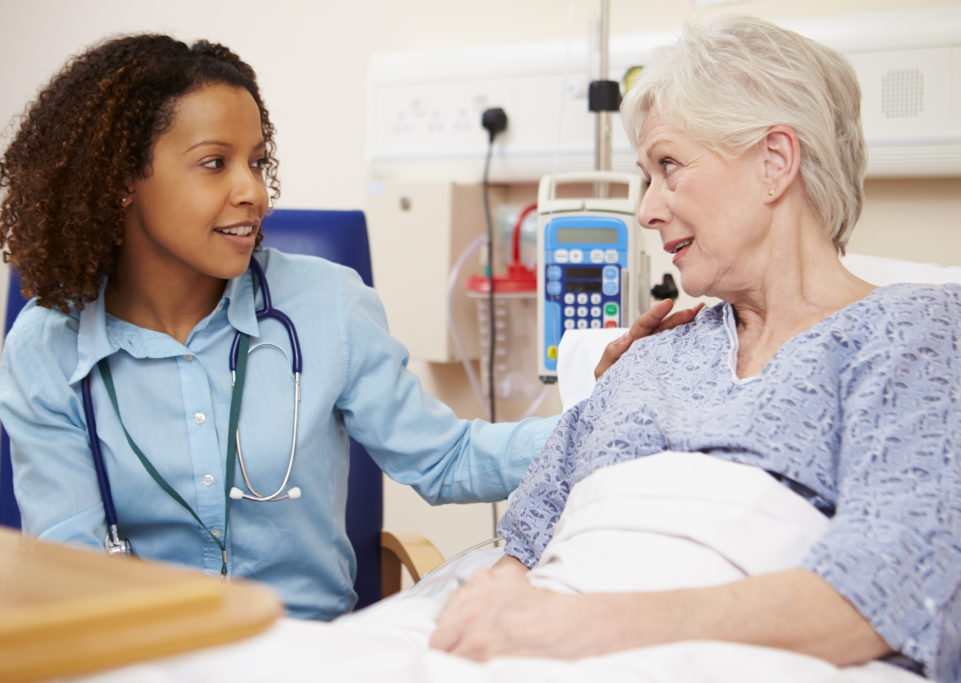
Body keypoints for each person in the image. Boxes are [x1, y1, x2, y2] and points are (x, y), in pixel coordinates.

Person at [0, 35, 694, 621]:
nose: (254, 191)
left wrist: (604, 412)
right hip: (140, 654)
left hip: (311, 650)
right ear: (122, 179)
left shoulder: (324, 305)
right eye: (216, 163)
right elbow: (72, 570)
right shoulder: (47, 346)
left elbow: (446, 459)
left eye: (258, 161)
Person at [429, 16, 961, 683]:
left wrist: (585, 627)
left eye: (668, 166)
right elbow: (523, 545)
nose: (648, 210)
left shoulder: (916, 337)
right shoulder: (653, 356)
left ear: (775, 162)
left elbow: (885, 593)